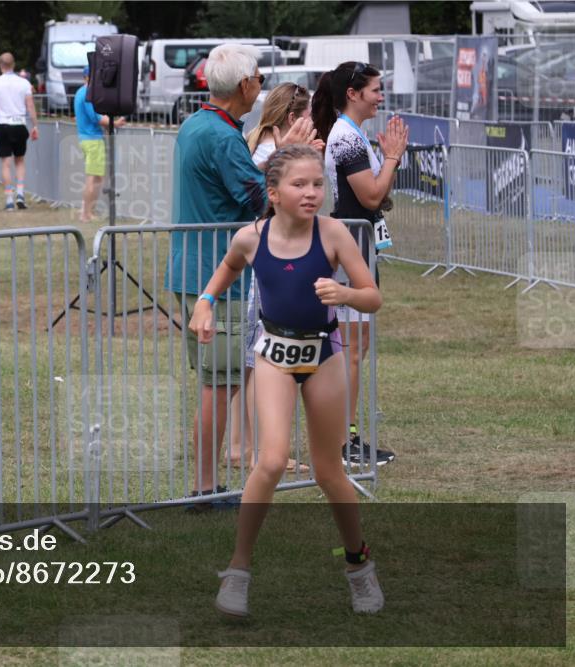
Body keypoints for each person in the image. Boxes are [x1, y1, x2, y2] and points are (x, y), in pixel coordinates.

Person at [189, 144, 384, 618]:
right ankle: (237, 572)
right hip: (274, 354)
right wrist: (205, 302)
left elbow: (373, 297)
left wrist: (345, 293)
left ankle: (359, 566)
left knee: (327, 471)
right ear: (273, 193)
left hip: (323, 355)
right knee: (271, 460)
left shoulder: (334, 233)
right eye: (299, 184)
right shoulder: (251, 237)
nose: (312, 192)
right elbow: (228, 268)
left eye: (318, 184)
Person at [165, 44, 316, 510]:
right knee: (220, 384)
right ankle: (204, 490)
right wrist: (294, 154)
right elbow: (259, 204)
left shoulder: (197, 125)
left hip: (196, 271)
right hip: (217, 275)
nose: (260, 86)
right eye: (257, 78)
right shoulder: (222, 136)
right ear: (244, 84)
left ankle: (206, 485)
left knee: (218, 382)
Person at [311, 61, 408, 468]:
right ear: (352, 94)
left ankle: (345, 437)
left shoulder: (352, 135)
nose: (380, 97)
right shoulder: (346, 138)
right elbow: (368, 197)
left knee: (354, 348)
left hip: (360, 246)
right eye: (375, 90)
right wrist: (391, 159)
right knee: (349, 351)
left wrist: (387, 162)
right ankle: (343, 441)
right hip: (350, 249)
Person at [230, 82, 325, 470]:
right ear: (292, 118)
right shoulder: (272, 152)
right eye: (307, 117)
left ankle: (241, 446)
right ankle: (258, 449)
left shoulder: (261, 142)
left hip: (265, 263)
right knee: (261, 360)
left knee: (254, 363)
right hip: (269, 265)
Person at [0, 52, 38, 211]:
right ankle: (20, 193)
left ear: (0, 65)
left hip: (3, 124)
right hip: (19, 124)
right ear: (13, 65)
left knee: (6, 164)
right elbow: (30, 106)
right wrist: (35, 125)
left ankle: (8, 198)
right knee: (19, 161)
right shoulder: (24, 83)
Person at [73, 64, 124, 223]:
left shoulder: (80, 92)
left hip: (86, 138)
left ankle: (88, 211)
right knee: (93, 178)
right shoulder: (88, 94)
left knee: (96, 178)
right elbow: (97, 118)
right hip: (93, 140)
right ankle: (85, 214)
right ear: (89, 77)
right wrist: (115, 123)